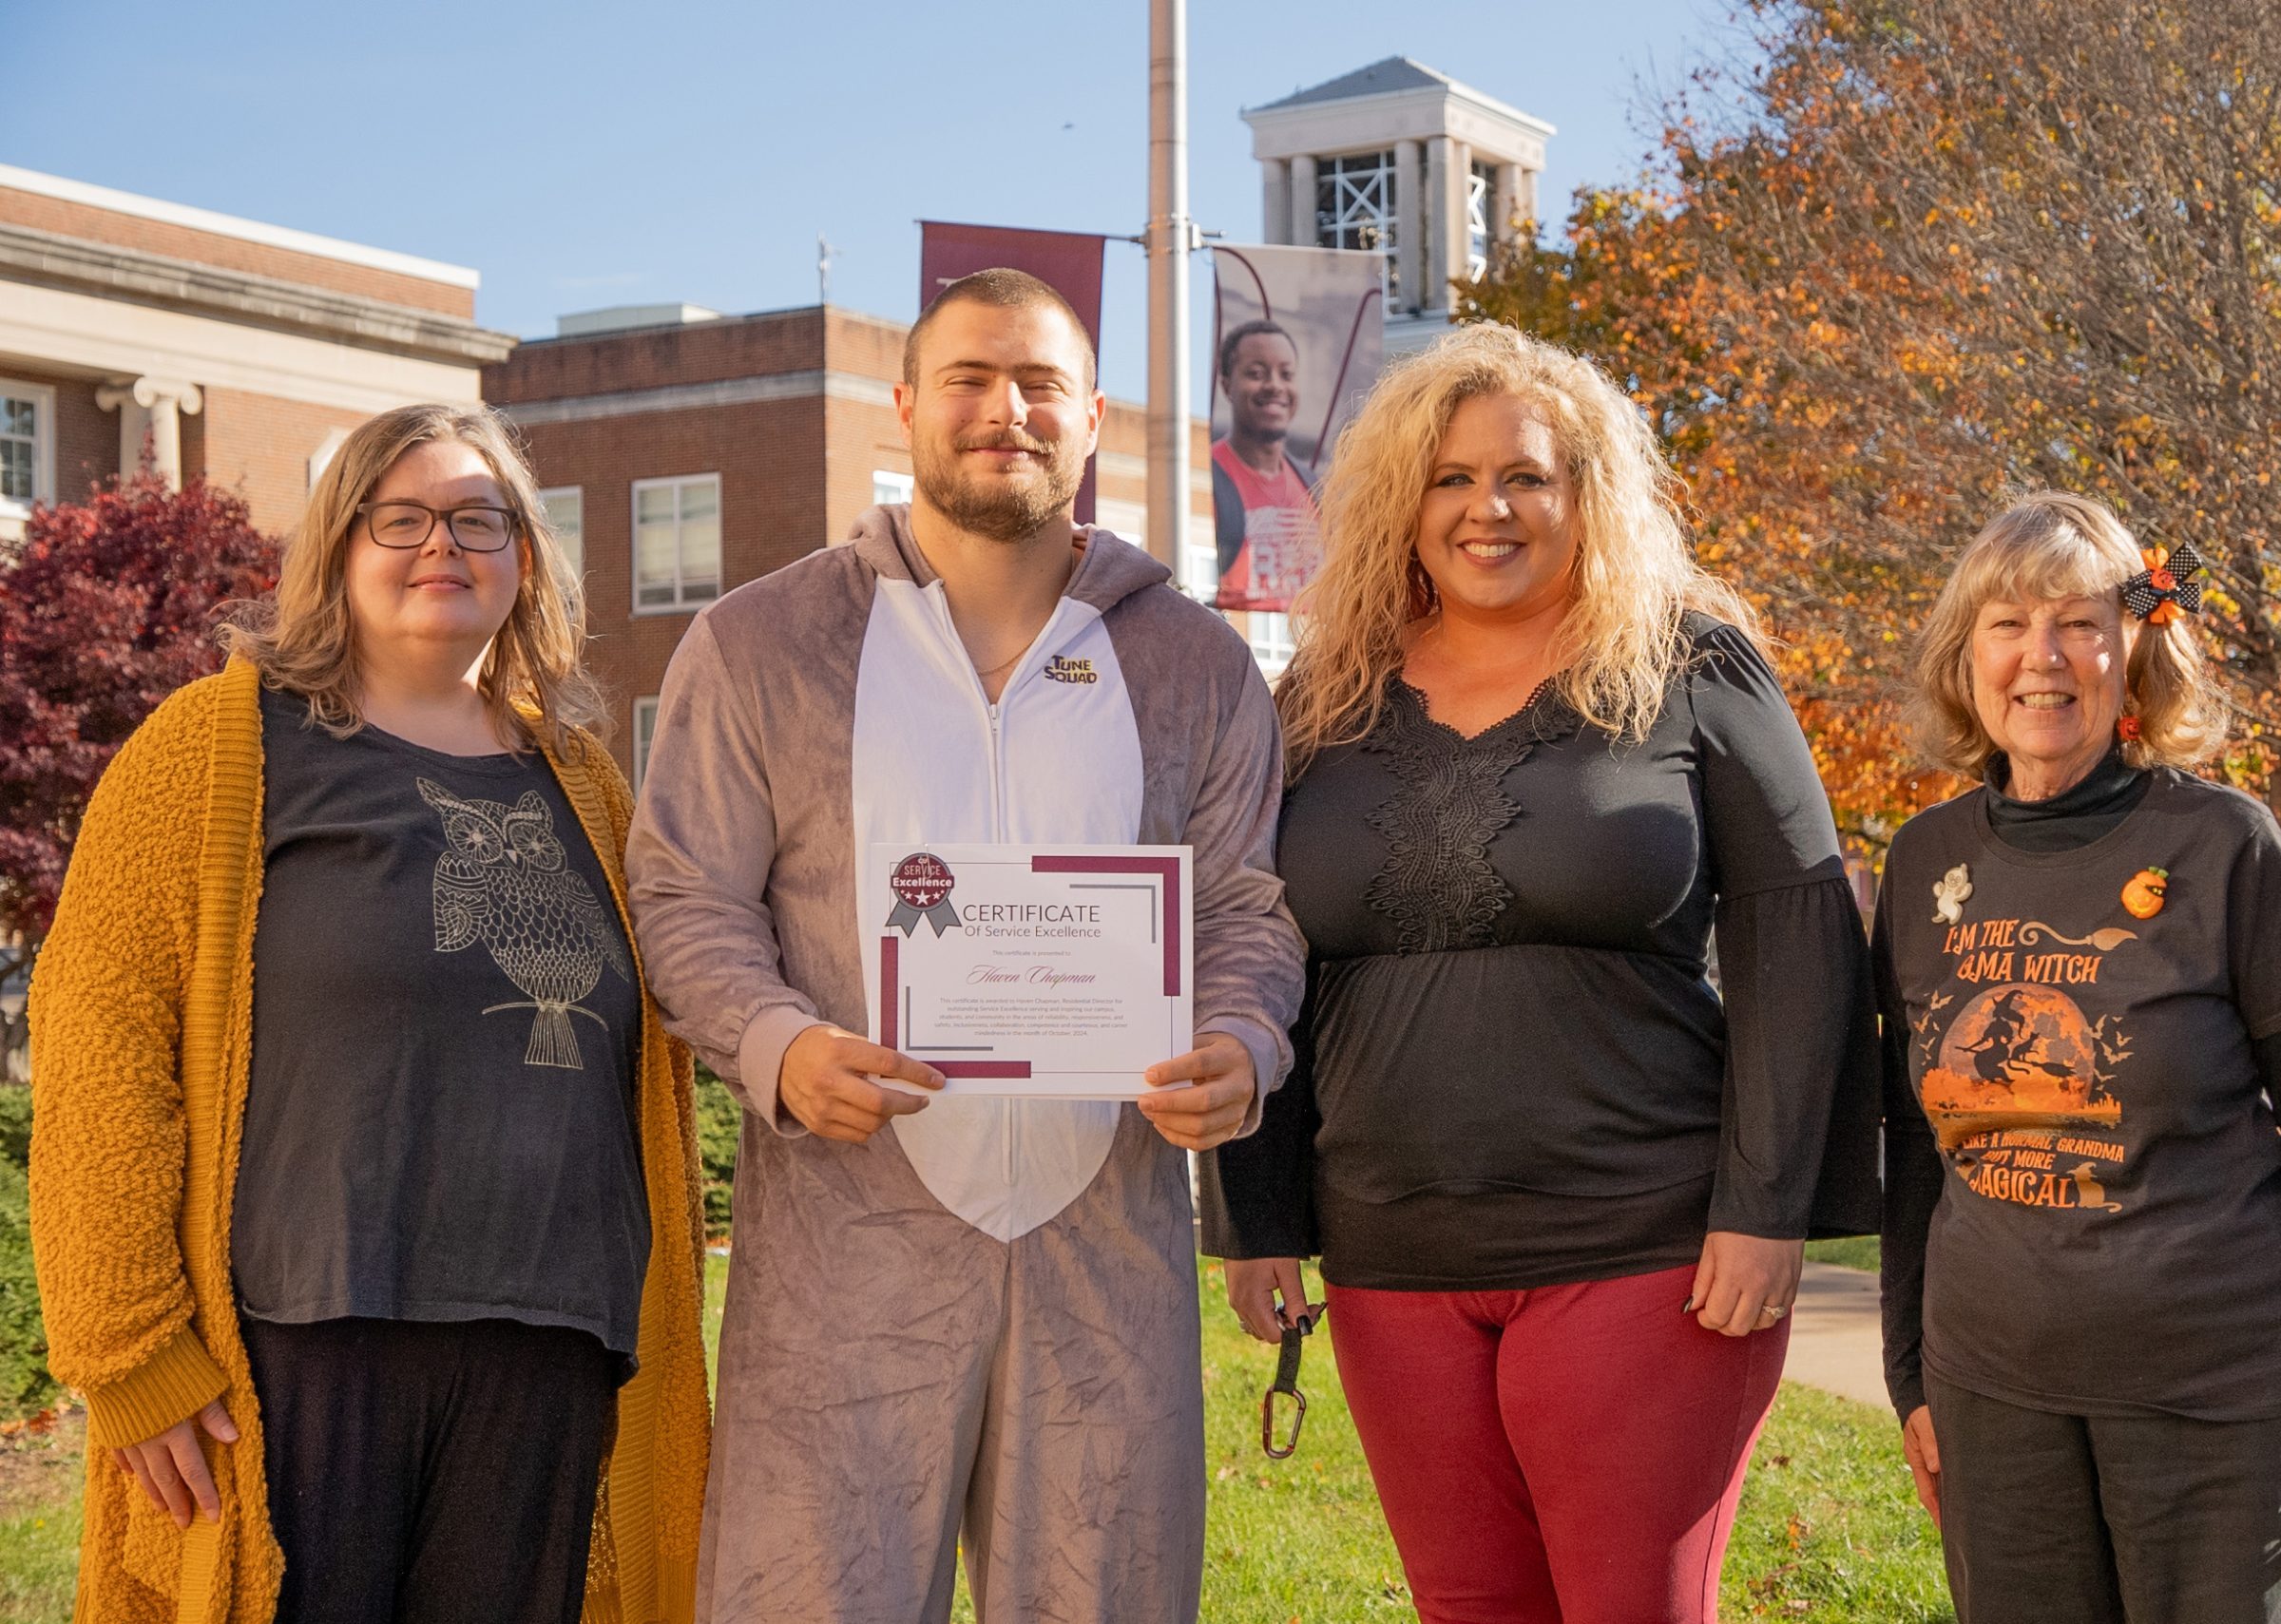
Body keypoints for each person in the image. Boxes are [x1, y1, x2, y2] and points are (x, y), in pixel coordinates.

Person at [624, 268, 1303, 1624]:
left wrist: (1242, 1040)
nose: (1009, 410)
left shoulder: (1194, 663)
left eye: (1043, 383)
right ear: (907, 408)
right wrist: (779, 1044)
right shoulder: (760, 643)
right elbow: (686, 896)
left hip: (1103, 1245)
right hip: (844, 1248)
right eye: (972, 379)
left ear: (1094, 416)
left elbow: (1244, 906)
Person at [1200, 321, 1880, 1624]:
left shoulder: (1692, 666)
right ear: (1405, 502)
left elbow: (1800, 934)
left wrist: (1767, 1206)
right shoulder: (1320, 700)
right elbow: (1258, 944)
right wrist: (1256, 1209)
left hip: (1647, 1248)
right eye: (1451, 479)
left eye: (1527, 475)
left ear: (1588, 495)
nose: (1487, 508)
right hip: (1393, 1261)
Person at [28, 403, 709, 1624]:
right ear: (337, 550)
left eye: (476, 519)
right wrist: (129, 1352)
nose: (439, 544)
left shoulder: (587, 781)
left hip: (552, 1339)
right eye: (399, 518)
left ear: (524, 559)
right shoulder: (215, 748)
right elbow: (98, 1048)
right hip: (304, 1340)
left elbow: (666, 1019)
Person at [1875, 491, 2281, 1624]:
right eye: (2006, 622)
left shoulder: (2222, 843)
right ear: (1965, 656)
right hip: (1994, 1396)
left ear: (2134, 649)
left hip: (2220, 1401)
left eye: (2078, 621)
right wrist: (1910, 1377)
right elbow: (1914, 1152)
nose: (2042, 656)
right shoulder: (1925, 862)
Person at [1211, 317, 1319, 609]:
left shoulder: (1315, 487)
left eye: (1286, 374)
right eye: (1257, 373)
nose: (1275, 386)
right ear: (1227, 386)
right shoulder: (1205, 475)